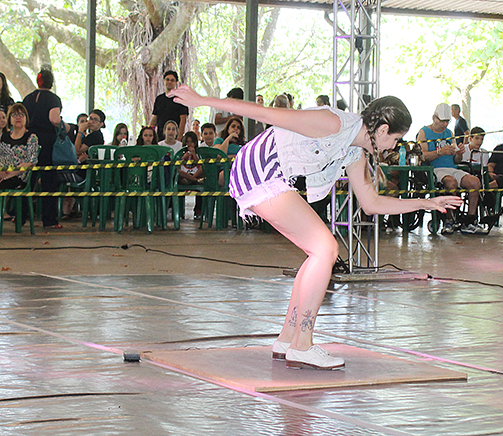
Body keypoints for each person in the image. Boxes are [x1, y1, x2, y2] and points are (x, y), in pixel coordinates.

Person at [169, 84, 463, 370]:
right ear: (383, 130)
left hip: (269, 176)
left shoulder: (354, 150)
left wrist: (427, 203)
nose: (394, 146)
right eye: (396, 139)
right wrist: (202, 99)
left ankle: (288, 340)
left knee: (318, 252)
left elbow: (372, 203)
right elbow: (264, 113)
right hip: (258, 169)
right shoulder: (332, 122)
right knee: (326, 249)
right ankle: (302, 345)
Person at [417, 103, 483, 235]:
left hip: (451, 167)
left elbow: (456, 160)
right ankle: (450, 219)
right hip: (434, 169)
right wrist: (439, 152)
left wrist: (458, 153)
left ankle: (470, 220)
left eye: (447, 122)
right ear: (434, 118)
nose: (444, 125)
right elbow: (422, 156)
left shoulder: (449, 133)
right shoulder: (424, 132)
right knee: (451, 182)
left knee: (474, 182)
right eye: (441, 121)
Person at [22, 67, 67, 229]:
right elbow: (54, 119)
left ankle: (20, 216)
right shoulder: (53, 99)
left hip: (29, 140)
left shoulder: (28, 98)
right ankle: (49, 220)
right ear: (51, 82)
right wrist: (66, 126)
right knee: (48, 179)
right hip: (47, 141)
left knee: (28, 178)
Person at [0, 103, 39, 221]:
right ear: (9, 119)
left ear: (26, 119)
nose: (18, 117)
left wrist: (9, 174)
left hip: (19, 177)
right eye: (14, 115)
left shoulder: (31, 137)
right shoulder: (3, 136)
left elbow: (31, 162)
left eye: (21, 115)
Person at [150, 70, 188, 142]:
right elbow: (155, 117)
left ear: (176, 82)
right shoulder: (159, 99)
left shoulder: (180, 98)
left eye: (172, 80)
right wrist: (149, 131)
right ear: (164, 81)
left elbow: (183, 119)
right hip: (160, 136)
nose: (169, 82)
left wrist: (179, 136)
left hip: (174, 137)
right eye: (167, 79)